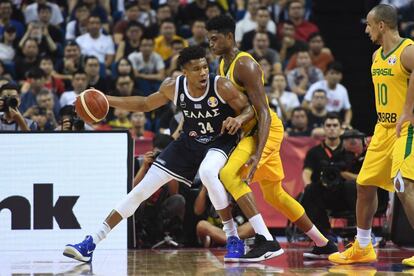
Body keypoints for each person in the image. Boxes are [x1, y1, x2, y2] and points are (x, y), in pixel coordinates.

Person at [63, 45, 255, 263]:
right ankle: (92, 242)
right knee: (140, 191)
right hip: (188, 142)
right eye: (196, 69)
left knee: (209, 173)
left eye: (204, 67)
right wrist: (107, 99)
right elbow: (145, 104)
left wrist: (238, 120)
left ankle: (232, 237)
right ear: (185, 72)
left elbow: (249, 108)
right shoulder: (173, 87)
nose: (202, 72)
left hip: (220, 140)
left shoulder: (221, 85)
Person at [206, 14, 338, 261]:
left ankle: (266, 240)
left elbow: (263, 111)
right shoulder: (223, 64)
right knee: (274, 195)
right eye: (208, 39)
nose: (211, 44)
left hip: (265, 130)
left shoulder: (245, 64)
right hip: (251, 131)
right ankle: (324, 244)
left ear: (229, 37)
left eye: (214, 39)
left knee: (228, 174)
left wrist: (259, 150)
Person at [329, 4, 414, 266]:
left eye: (368, 24)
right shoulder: (377, 55)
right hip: (383, 129)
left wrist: (408, 111)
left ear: (381, 25)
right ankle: (364, 246)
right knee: (364, 185)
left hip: (406, 129)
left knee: (403, 185)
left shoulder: (408, 50)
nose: (366, 30)